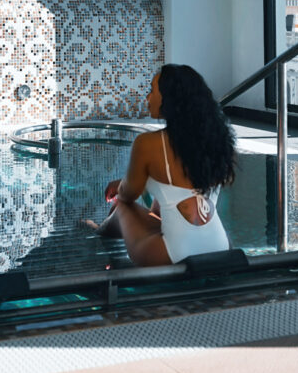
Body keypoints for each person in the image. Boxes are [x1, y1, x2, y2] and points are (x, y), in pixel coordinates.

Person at [87, 64, 236, 266]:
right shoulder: (216, 142)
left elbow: (127, 195)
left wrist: (122, 185)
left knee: (121, 206)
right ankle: (98, 230)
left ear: (170, 98)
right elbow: (171, 200)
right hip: (221, 247)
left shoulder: (148, 143)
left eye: (152, 91)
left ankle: (96, 233)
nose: (147, 98)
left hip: (174, 254)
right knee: (161, 209)